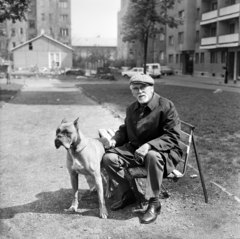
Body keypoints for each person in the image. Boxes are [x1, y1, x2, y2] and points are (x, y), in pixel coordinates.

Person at [102, 73, 183, 224]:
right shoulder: (132, 108)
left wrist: (149, 145)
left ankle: (154, 203)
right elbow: (125, 130)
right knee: (108, 158)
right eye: (135, 89)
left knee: (152, 155)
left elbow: (173, 135)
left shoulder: (165, 105)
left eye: (143, 88)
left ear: (152, 88)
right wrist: (114, 140)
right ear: (132, 91)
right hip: (136, 150)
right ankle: (128, 193)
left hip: (163, 152)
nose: (140, 92)